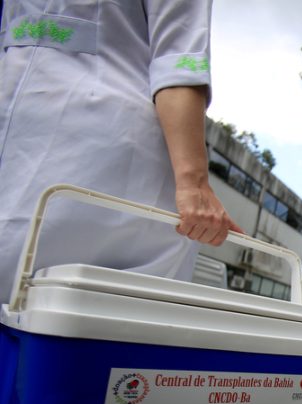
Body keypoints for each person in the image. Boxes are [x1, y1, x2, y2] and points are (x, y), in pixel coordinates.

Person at [0, 1, 243, 304]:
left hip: (81, 155)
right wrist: (193, 183)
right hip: (101, 159)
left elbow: (178, 61)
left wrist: (193, 181)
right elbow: (178, 56)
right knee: (87, 319)